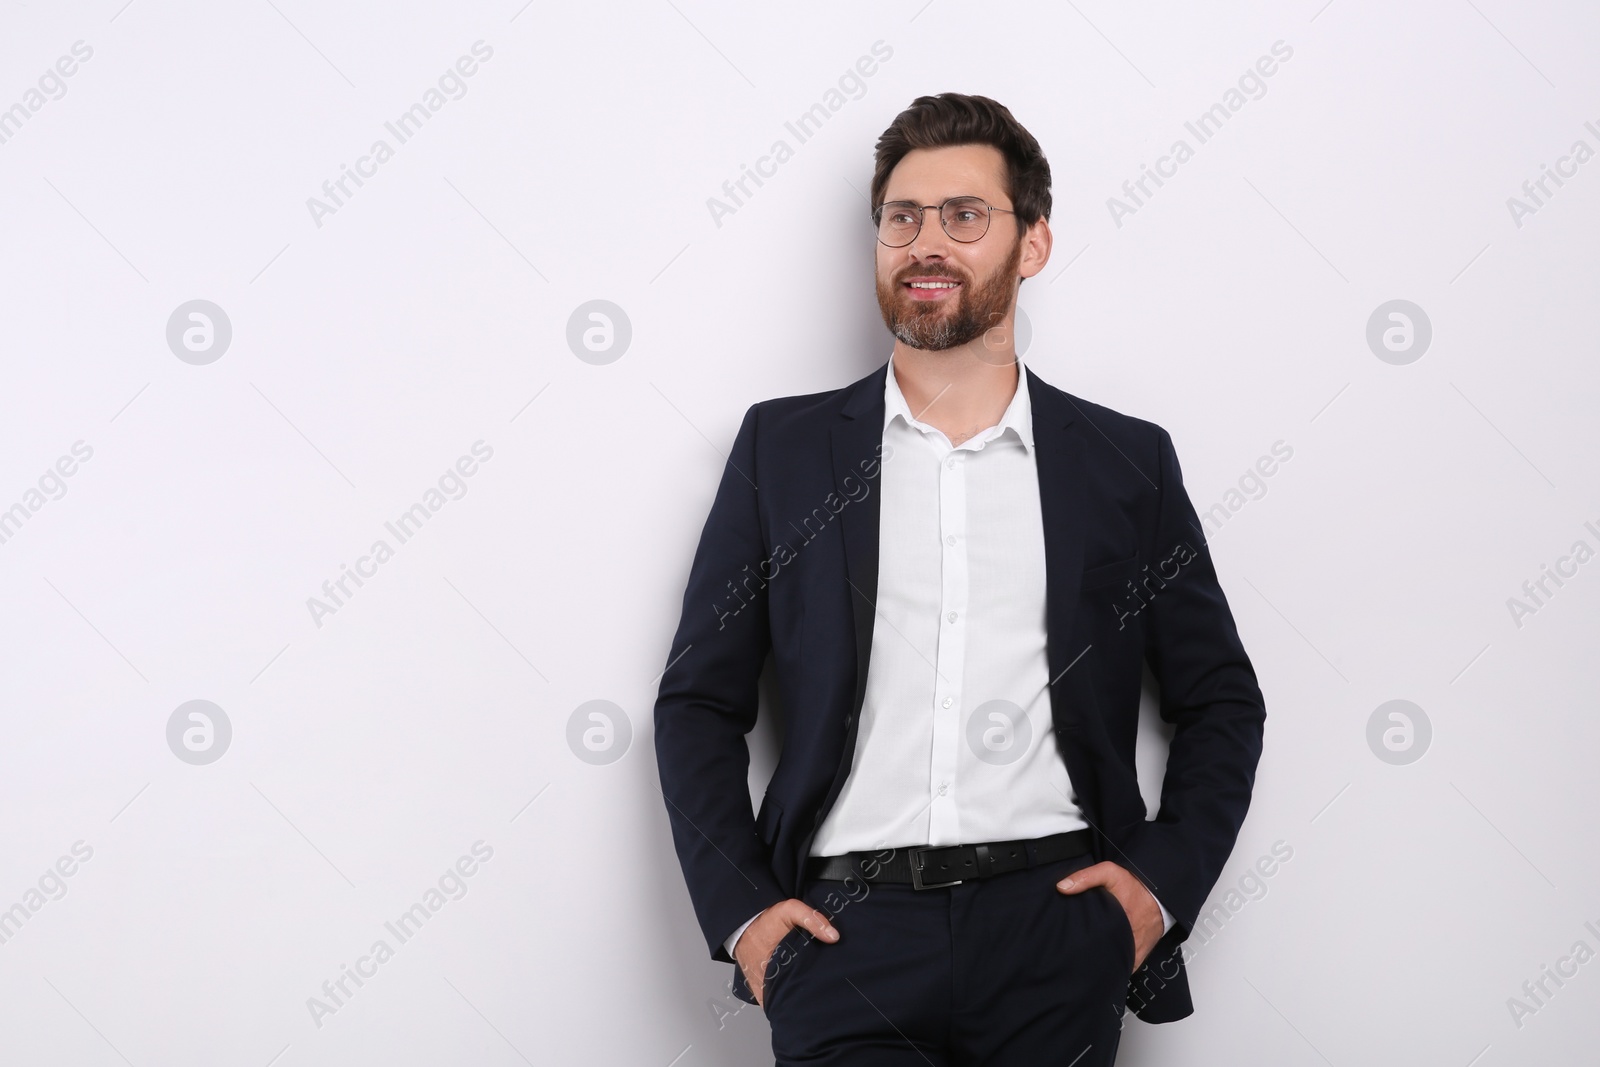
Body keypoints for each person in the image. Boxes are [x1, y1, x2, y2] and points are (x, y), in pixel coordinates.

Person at [654, 91, 1266, 1066]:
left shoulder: (1123, 461)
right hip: (844, 938)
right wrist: (746, 914)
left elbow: (1220, 698)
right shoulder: (786, 448)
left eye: (964, 216)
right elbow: (696, 699)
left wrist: (1152, 890)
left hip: (1056, 934)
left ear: (1032, 245)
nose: (924, 243)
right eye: (902, 218)